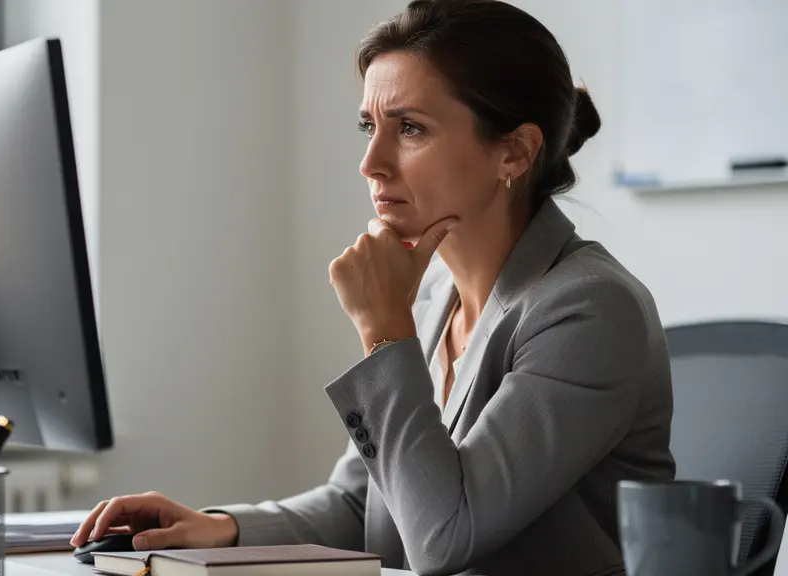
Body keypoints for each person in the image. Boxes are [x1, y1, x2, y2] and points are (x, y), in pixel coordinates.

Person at [71, 0, 675, 574]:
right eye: (369, 126)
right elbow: (368, 503)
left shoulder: (590, 307)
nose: (371, 163)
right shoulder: (436, 292)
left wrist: (385, 332)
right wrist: (218, 526)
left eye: (410, 128)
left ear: (514, 152)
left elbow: (442, 537)